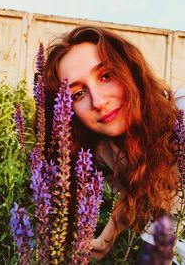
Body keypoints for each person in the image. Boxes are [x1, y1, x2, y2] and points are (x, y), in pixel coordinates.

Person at [44, 25, 185, 263]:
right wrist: (106, 239)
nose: (98, 102)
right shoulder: (103, 150)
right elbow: (134, 191)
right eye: (78, 94)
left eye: (106, 75)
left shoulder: (180, 112)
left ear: (129, 70)